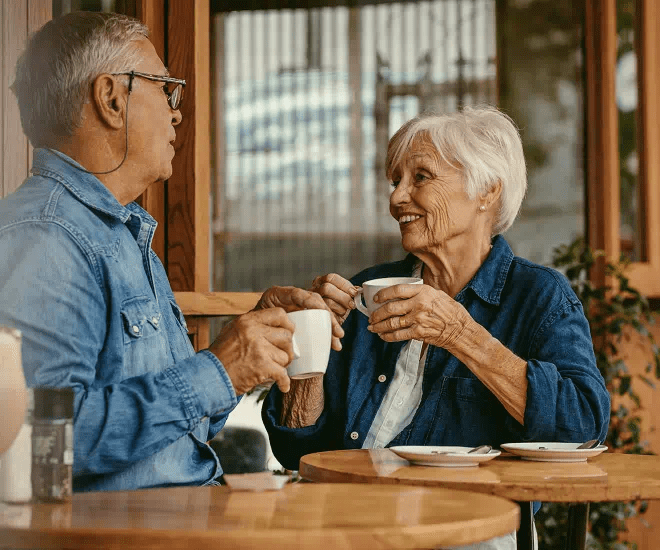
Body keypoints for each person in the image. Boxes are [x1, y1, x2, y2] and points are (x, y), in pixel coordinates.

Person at [0, 11, 342, 492]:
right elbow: (42, 441)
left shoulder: (121, 231)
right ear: (111, 99)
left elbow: (176, 431)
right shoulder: (45, 237)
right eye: (165, 88)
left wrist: (239, 365)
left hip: (193, 516)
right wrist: (217, 369)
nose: (177, 111)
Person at [262, 106, 610, 549]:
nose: (396, 199)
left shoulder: (538, 297)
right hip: (344, 519)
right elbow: (295, 451)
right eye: (395, 181)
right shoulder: (369, 289)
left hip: (466, 530)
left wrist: (461, 334)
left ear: (486, 190)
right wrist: (310, 351)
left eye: (420, 177)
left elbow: (583, 426)